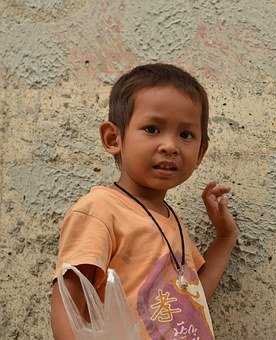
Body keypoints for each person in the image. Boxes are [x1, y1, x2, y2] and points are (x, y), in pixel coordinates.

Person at [50, 63, 239, 339]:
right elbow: (68, 304)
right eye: (152, 129)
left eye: (186, 135)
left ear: (200, 152)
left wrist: (225, 236)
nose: (170, 145)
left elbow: (193, 301)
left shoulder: (171, 220)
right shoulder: (101, 210)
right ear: (114, 138)